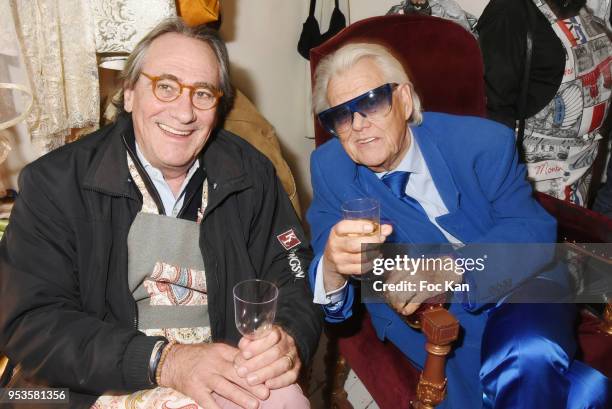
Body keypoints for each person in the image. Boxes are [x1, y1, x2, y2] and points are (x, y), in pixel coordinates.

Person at [0, 18, 321, 409]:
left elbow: (292, 271)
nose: (184, 113)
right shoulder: (54, 183)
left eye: (203, 93)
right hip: (99, 378)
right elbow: (30, 323)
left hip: (226, 363)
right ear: (130, 92)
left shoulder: (251, 173)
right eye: (165, 87)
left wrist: (287, 338)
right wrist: (163, 360)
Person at [307, 42, 610, 408]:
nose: (357, 125)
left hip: (522, 282)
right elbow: (331, 280)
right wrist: (334, 267)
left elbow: (533, 232)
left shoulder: (481, 144)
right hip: (435, 323)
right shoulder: (330, 168)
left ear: (403, 99)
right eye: (340, 115)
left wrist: (454, 268)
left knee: (530, 352)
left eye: (371, 101)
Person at [478, 0, 612, 206]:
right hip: (533, 192)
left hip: (580, 181)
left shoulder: (578, 6)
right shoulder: (508, 12)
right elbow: (494, 108)